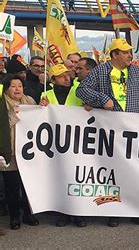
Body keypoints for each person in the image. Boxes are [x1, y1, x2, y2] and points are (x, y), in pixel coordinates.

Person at [76, 38, 139, 226]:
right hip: (111, 131)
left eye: (129, 52)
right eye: (124, 52)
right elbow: (81, 90)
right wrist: (101, 99)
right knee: (113, 171)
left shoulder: (138, 72)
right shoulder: (100, 71)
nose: (129, 55)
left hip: (133, 130)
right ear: (114, 54)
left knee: (134, 170)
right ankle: (114, 211)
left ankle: (136, 209)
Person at [38, 64, 85, 227]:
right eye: (61, 76)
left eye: (67, 75)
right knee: (61, 177)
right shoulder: (46, 94)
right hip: (57, 144)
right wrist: (41, 107)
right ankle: (63, 212)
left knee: (77, 177)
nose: (66, 78)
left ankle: (79, 213)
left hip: (77, 141)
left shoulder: (79, 89)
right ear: (53, 80)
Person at [0, 75, 39, 230]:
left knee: (28, 186)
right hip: (9, 152)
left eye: (20, 86)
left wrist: (43, 107)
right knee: (12, 186)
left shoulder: (30, 102)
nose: (17, 89)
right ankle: (14, 216)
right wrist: (13, 115)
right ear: (6, 88)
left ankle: (28, 214)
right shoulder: (2, 104)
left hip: (28, 153)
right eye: (13, 86)